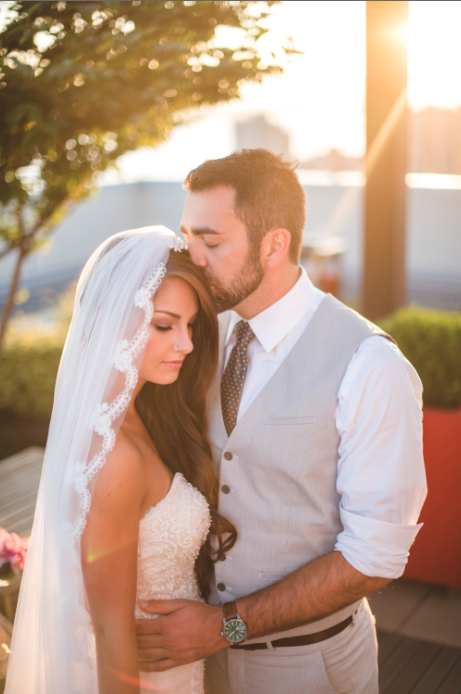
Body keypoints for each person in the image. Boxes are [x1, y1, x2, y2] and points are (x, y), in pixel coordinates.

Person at [134, 150, 427, 694]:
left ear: (274, 244)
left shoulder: (371, 367)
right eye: (186, 237)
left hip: (307, 666)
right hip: (192, 662)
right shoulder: (196, 334)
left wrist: (225, 626)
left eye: (212, 242)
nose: (191, 258)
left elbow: (375, 558)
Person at [5, 226, 236, 694]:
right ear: (114, 323)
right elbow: (111, 629)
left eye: (190, 326)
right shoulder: (113, 457)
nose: (186, 345)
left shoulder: (138, 418)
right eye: (165, 325)